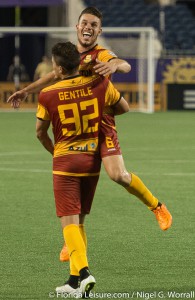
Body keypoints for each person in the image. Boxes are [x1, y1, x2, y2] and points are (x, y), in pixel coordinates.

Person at [7, 6, 172, 263]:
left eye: (94, 25)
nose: (88, 28)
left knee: (118, 174)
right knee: (77, 180)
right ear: (77, 26)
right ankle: (72, 242)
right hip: (80, 126)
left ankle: (157, 206)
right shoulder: (72, 54)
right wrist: (26, 90)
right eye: (85, 23)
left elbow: (123, 63)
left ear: (99, 30)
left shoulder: (101, 54)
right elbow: (53, 75)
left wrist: (114, 66)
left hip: (102, 123)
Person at [36, 41, 129, 297]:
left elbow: (40, 133)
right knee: (80, 223)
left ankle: (85, 273)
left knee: (69, 223)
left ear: (58, 69)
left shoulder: (48, 94)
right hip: (91, 161)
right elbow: (123, 108)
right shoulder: (99, 85)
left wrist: (56, 152)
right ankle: (74, 281)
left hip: (66, 161)